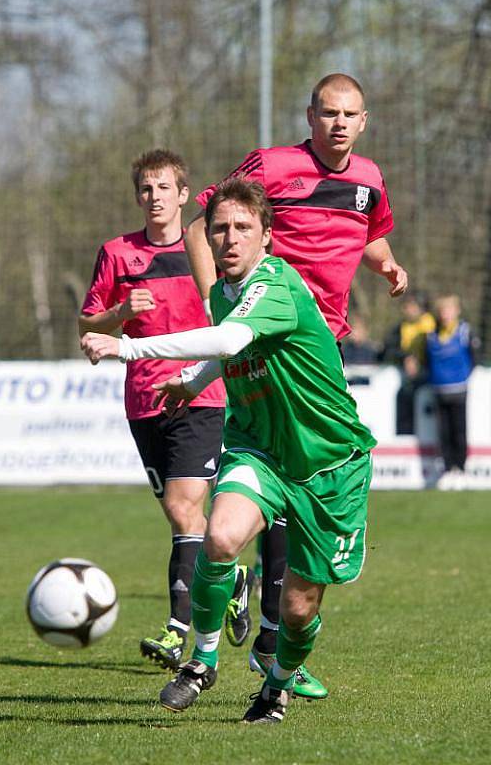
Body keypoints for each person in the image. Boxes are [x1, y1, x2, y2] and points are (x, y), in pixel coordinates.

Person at [81, 178, 377, 724]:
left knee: (297, 608)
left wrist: (127, 346)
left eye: (244, 227)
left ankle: (278, 686)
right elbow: (228, 346)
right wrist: (194, 381)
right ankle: (203, 659)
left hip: (328, 464)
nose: (230, 238)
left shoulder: (277, 283)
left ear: (267, 235)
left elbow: (228, 340)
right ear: (209, 238)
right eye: (220, 228)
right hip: (258, 448)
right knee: (219, 537)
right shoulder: (223, 292)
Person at [183, 72, 408, 697]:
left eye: (350, 114)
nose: (338, 123)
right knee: (277, 472)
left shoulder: (369, 180)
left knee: (303, 478)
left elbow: (370, 231)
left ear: (363, 122)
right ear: (309, 116)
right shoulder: (274, 166)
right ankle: (262, 640)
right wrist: (216, 305)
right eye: (328, 112)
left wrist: (385, 260)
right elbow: (208, 219)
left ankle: (269, 639)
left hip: (321, 346)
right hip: (263, 333)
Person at [78, 150, 253, 672]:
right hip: (144, 402)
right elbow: (88, 324)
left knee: (183, 512)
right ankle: (235, 577)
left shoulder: (210, 251)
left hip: (201, 394)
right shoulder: (116, 253)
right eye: (145, 189)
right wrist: (119, 313)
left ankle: (178, 631)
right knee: (187, 521)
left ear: (183, 195)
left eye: (164, 188)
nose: (154, 197)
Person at [425, 295, 479, 490]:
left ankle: (461, 469)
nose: (445, 314)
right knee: (443, 432)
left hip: (459, 389)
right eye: (442, 311)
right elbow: (426, 361)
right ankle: (447, 470)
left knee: (459, 430)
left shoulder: (465, 331)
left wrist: (463, 377)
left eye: (449, 310)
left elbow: (474, 358)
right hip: (438, 390)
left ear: (457, 311)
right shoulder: (431, 335)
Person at [381, 291, 435, 434]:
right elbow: (388, 351)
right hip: (408, 375)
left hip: (430, 371)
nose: (407, 309)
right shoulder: (399, 329)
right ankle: (406, 433)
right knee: (403, 393)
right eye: (406, 306)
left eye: (411, 306)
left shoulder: (433, 325)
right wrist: (406, 357)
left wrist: (420, 361)